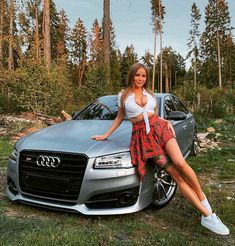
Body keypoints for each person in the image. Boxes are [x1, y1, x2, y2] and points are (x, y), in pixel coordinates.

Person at [91, 63, 229, 235]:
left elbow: (154, 115)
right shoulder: (123, 96)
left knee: (181, 163)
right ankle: (208, 217)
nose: (141, 78)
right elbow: (120, 117)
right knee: (176, 175)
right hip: (143, 137)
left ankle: (202, 198)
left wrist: (166, 121)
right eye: (137, 75)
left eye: (143, 76)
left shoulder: (150, 94)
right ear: (131, 76)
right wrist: (105, 134)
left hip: (160, 128)